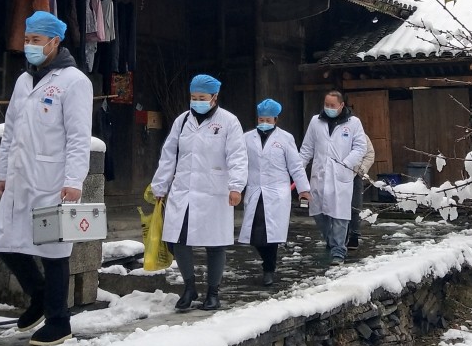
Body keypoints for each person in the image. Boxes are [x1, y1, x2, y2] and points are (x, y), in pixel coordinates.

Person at [0, 10, 93, 346]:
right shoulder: (24, 80)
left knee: (53, 251)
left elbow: (79, 137)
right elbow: (10, 131)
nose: (29, 45)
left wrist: (74, 180)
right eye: (27, 40)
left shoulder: (75, 81)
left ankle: (58, 321)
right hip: (19, 177)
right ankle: (38, 297)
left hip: (53, 180)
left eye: (36, 40)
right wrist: (3, 173)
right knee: (6, 243)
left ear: (55, 41)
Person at [151, 74, 247, 310]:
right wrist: (160, 186)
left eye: (201, 98)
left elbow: (237, 156)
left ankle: (213, 293)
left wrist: (236, 186)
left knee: (215, 244)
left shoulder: (228, 121)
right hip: (184, 190)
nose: (196, 102)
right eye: (193, 97)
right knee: (179, 240)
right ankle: (189, 287)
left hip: (215, 192)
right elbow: (169, 154)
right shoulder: (182, 121)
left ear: (214, 97)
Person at [238, 99, 311, 286]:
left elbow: (295, 166)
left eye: (268, 120)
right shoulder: (246, 138)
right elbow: (238, 163)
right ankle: (266, 262)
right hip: (255, 190)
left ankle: (269, 269)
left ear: (276, 119)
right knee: (255, 234)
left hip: (277, 191)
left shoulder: (286, 138)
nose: (264, 123)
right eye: (261, 119)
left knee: (270, 235)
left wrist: (303, 189)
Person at [299, 90, 367, 266]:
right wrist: (298, 168)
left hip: (341, 175)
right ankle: (331, 240)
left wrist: (345, 164)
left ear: (341, 105)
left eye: (332, 105)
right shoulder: (316, 121)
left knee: (340, 215)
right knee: (318, 212)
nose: (328, 108)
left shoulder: (353, 123)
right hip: (320, 175)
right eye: (326, 104)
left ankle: (338, 251)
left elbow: (360, 147)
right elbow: (307, 148)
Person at [347, 134, 375, 250]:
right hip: (336, 177)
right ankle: (337, 237)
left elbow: (370, 154)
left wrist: (361, 170)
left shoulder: (361, 136)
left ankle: (354, 235)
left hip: (355, 176)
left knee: (355, 206)